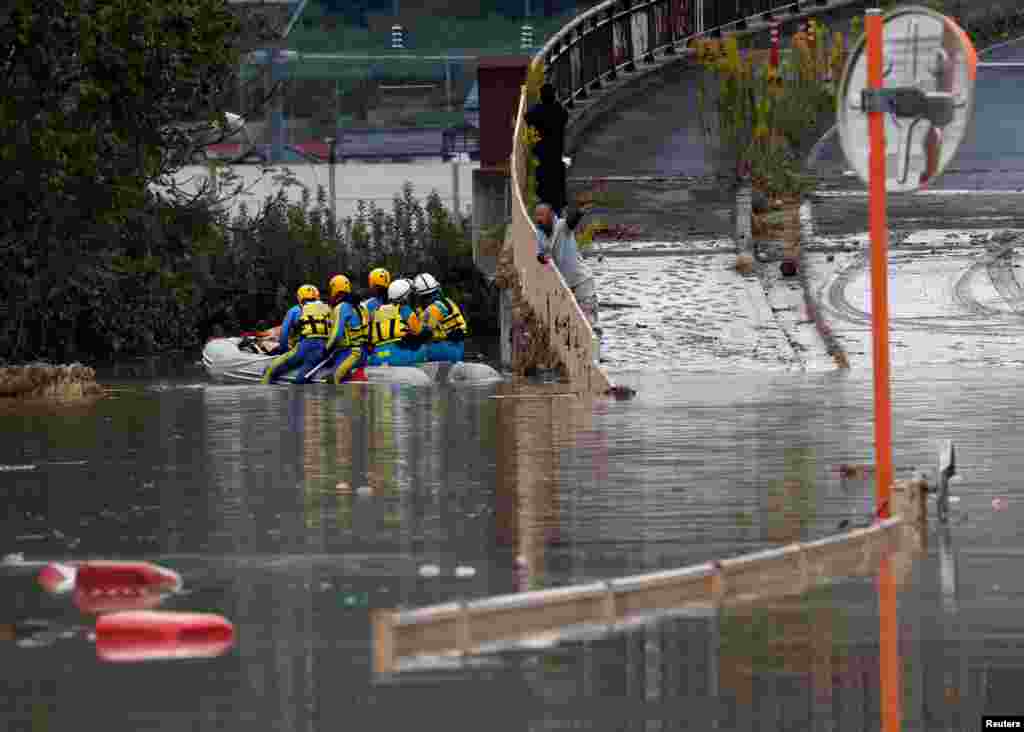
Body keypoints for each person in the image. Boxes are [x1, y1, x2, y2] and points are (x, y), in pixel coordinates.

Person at [534, 202, 603, 360]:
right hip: (565, 285)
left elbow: (571, 222)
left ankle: (596, 358)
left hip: (582, 281)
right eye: (536, 215)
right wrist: (543, 257)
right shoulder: (540, 233)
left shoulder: (561, 227)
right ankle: (578, 357)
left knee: (589, 321)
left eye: (542, 215)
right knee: (569, 323)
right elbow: (541, 254)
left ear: (551, 215)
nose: (538, 219)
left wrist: (579, 212)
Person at [261, 284, 333, 384]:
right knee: (301, 379)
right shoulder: (328, 309)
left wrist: (283, 350)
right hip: (321, 349)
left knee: (269, 370)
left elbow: (284, 335)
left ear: (299, 297)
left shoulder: (295, 310)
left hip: (304, 347)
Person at [525, 82, 569, 214]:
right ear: (554, 95)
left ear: (541, 96)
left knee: (543, 185)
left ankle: (545, 210)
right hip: (556, 153)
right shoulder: (559, 110)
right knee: (557, 183)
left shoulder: (538, 110)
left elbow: (527, 118)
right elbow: (565, 117)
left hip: (542, 153)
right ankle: (558, 208)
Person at [367, 279, 426, 367]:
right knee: (423, 348)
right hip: (397, 355)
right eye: (410, 295)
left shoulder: (376, 311)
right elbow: (418, 331)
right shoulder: (405, 310)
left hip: (377, 356)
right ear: (405, 297)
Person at [412, 273, 468, 363]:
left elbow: (423, 333)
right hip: (453, 347)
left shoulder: (436, 308)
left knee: (412, 351)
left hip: (447, 348)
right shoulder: (444, 302)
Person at [323, 274, 369, 384]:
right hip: (363, 354)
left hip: (351, 354)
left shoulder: (341, 307)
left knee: (330, 380)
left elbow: (336, 334)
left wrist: (325, 350)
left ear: (334, 289)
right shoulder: (362, 307)